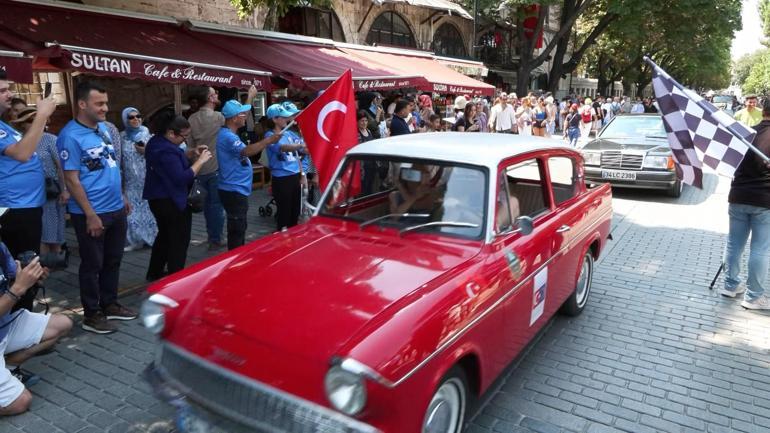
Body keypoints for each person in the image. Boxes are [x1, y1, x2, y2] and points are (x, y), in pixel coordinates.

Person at [57, 81, 135, 334]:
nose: (105, 108)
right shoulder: (69, 135)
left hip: (115, 207)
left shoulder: (102, 128)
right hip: (92, 213)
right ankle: (92, 314)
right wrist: (90, 214)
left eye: (105, 102)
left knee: (113, 259)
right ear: (82, 104)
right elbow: (71, 178)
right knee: (93, 264)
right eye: (99, 103)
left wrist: (122, 195)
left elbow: (110, 164)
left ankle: (110, 303)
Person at [0, 228, 72, 416]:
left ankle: (8, 366)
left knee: (62, 324)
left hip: (4, 327)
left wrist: (31, 278)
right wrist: (18, 288)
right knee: (21, 402)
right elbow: (15, 288)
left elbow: (13, 277)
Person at [0, 71, 56, 312]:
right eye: (2, 90)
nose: (10, 94)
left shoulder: (3, 125)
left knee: (29, 266)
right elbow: (22, 153)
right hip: (15, 212)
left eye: (8, 88)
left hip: (27, 210)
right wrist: (42, 115)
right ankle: (19, 324)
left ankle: (25, 320)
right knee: (23, 268)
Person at [144, 114, 212, 280]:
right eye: (184, 136)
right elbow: (181, 177)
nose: (185, 140)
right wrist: (200, 161)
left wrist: (190, 153)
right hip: (171, 201)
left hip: (158, 199)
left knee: (165, 236)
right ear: (170, 133)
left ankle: (155, 272)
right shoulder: (165, 150)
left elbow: (176, 159)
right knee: (179, 240)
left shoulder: (156, 142)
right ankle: (176, 277)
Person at [722, 100, 770, 309]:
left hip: (739, 195)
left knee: (734, 243)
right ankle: (753, 296)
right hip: (764, 200)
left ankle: (731, 286)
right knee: (760, 248)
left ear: (763, 111)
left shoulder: (748, 134)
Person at [220, 99, 282, 247]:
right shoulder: (228, 136)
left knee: (239, 227)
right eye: (243, 114)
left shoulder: (229, 133)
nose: (246, 117)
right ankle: (235, 263)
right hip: (233, 189)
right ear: (235, 118)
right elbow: (246, 151)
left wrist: (250, 95)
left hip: (236, 188)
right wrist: (268, 141)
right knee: (237, 229)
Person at [11, 109, 67, 259]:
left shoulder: (50, 139)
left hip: (50, 190)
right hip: (27, 193)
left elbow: (61, 166)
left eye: (37, 120)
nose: (35, 124)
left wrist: (65, 190)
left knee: (52, 227)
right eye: (31, 121)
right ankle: (40, 263)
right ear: (22, 125)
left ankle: (55, 259)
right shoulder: (17, 142)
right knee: (37, 229)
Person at [187, 86, 226, 250]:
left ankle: (212, 235)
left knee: (207, 205)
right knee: (216, 205)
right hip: (215, 166)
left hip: (199, 166)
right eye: (214, 93)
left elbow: (189, 146)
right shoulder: (219, 117)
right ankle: (215, 238)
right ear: (210, 98)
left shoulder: (191, 119)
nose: (217, 94)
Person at [264, 104, 307, 232]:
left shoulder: (289, 133)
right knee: (284, 213)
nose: (286, 120)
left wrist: (302, 174)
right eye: (283, 117)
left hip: (294, 176)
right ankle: (282, 240)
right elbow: (283, 147)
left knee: (295, 212)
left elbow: (299, 152)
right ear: (274, 119)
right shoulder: (269, 135)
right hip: (282, 178)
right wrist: (300, 146)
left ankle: (292, 241)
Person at [120, 107, 156, 252]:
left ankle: (153, 238)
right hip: (130, 180)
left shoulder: (148, 135)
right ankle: (135, 240)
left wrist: (147, 150)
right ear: (125, 120)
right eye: (131, 117)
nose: (135, 119)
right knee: (132, 211)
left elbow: (157, 155)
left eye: (138, 116)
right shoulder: (121, 137)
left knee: (149, 210)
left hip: (147, 178)